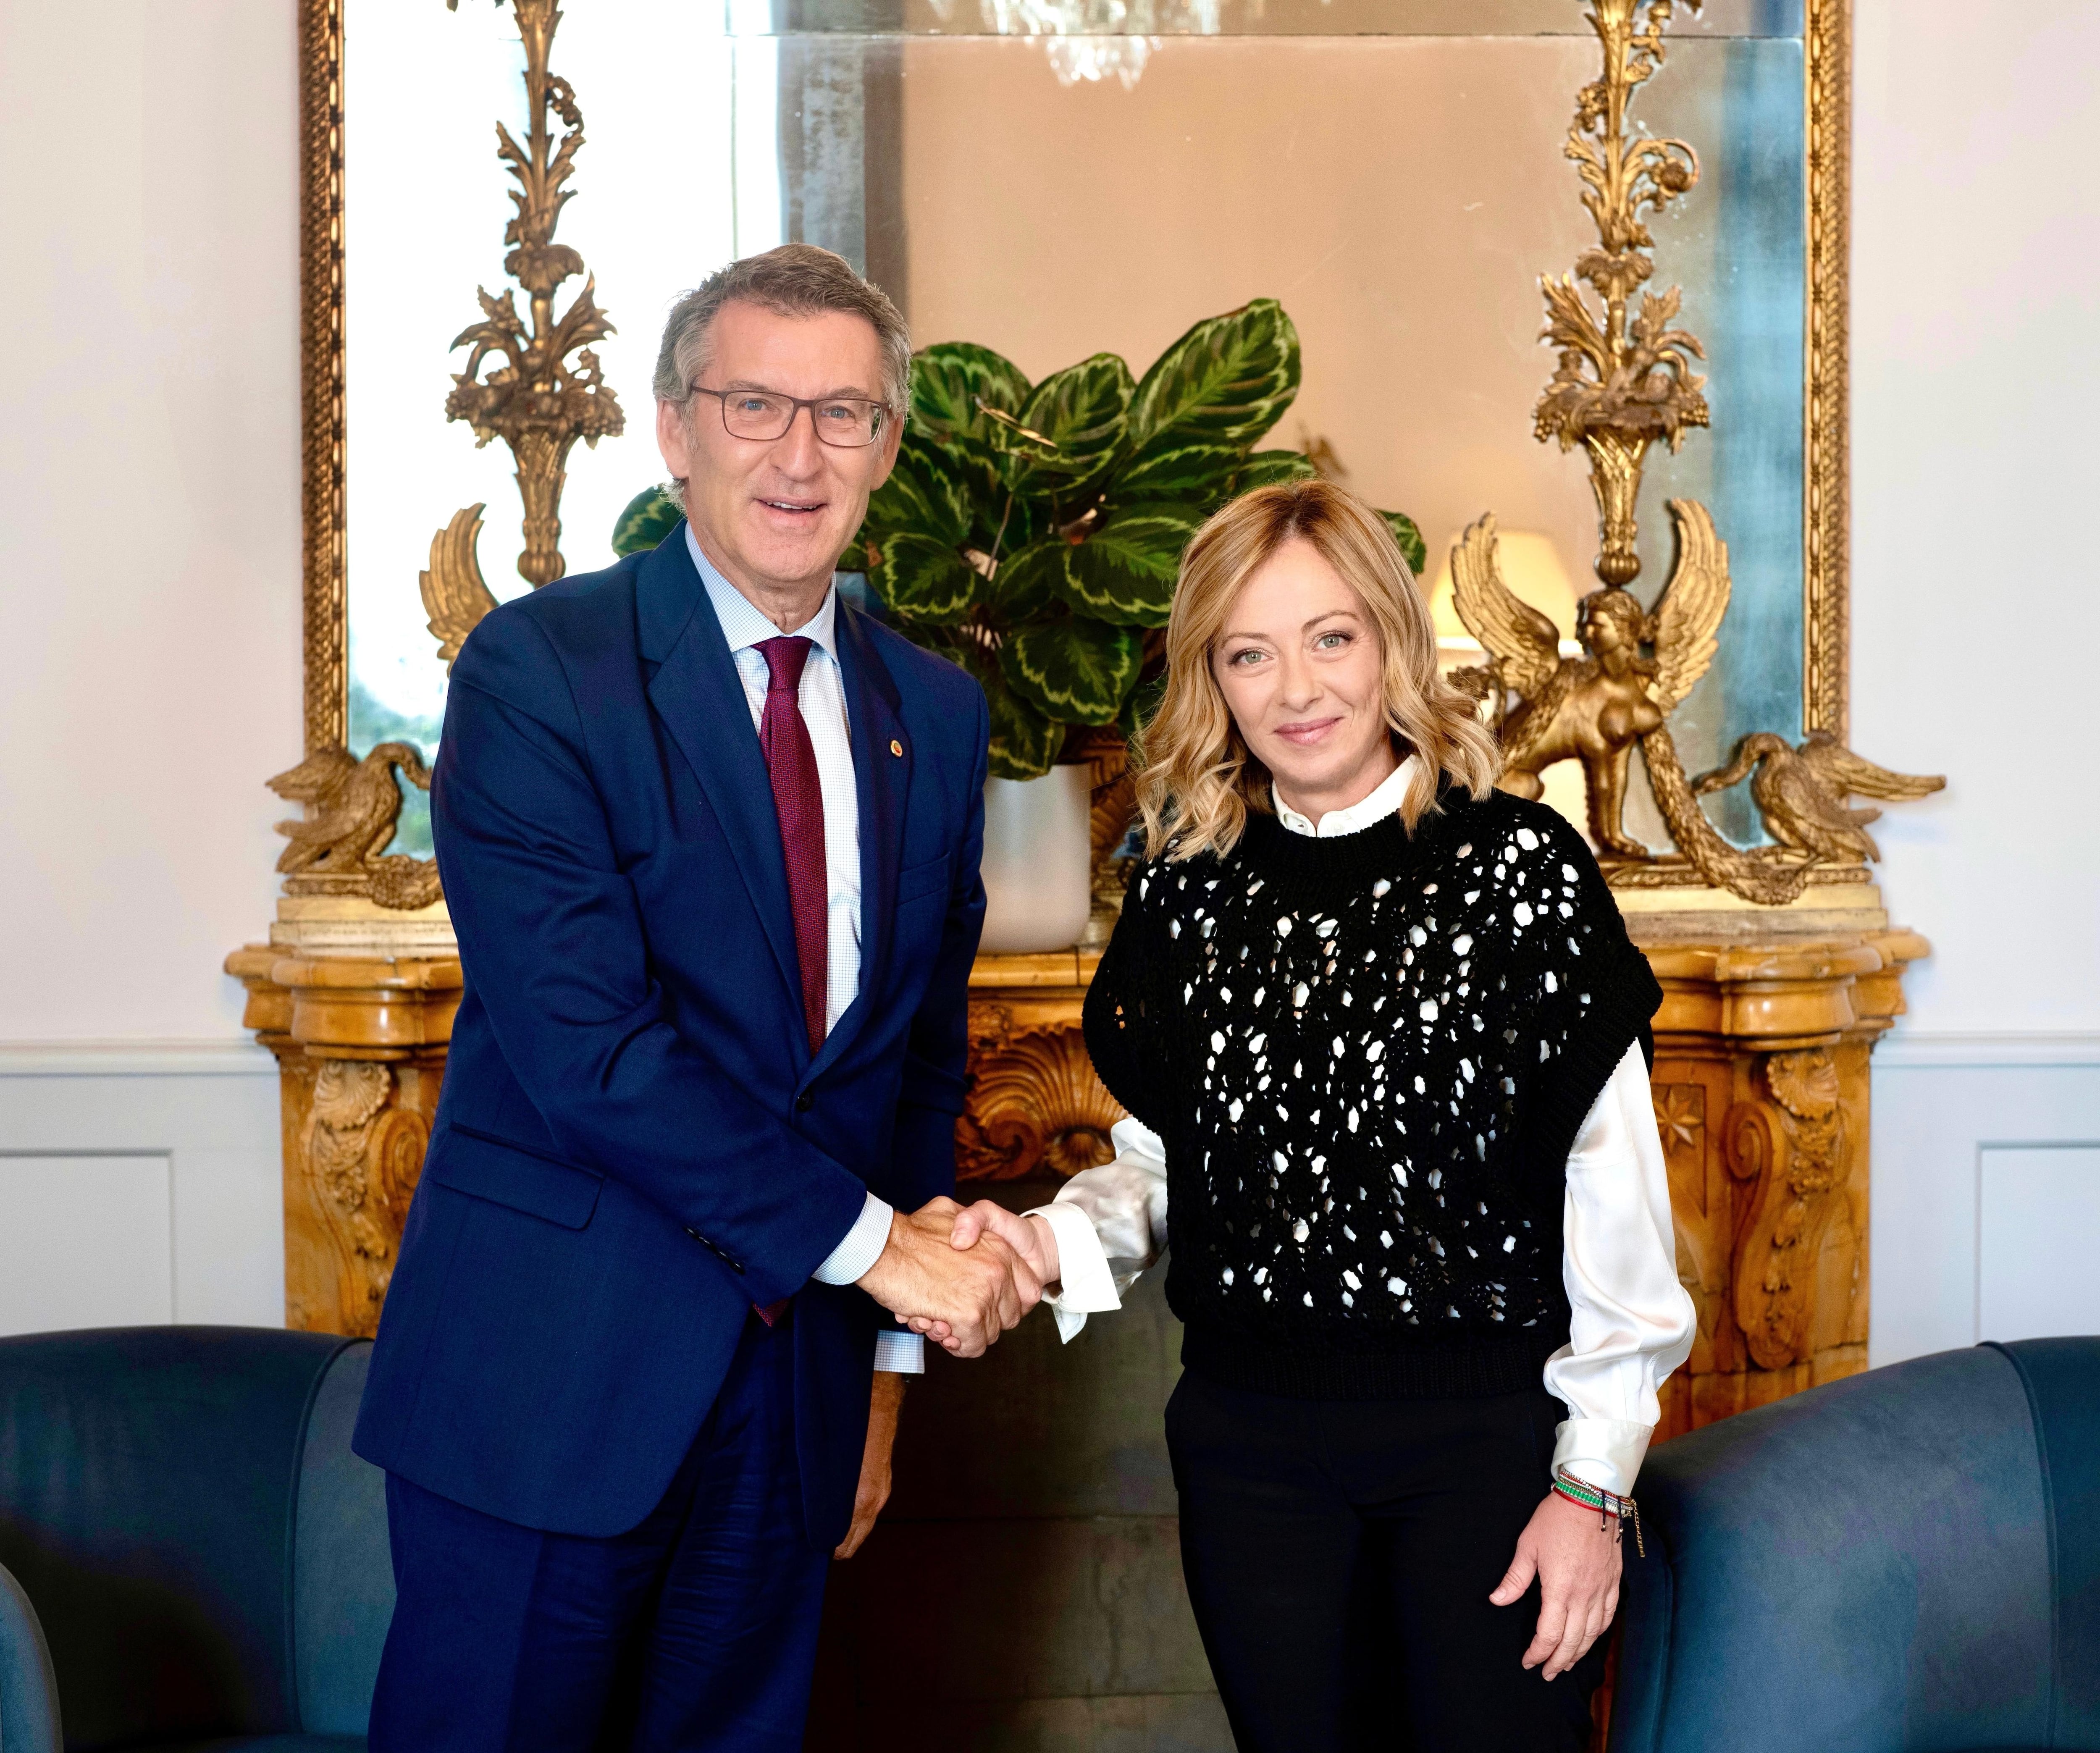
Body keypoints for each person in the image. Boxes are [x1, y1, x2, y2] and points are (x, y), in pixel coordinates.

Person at [353, 244, 1039, 1753]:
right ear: (674, 430)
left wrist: (886, 1379)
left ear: (888, 449)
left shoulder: (935, 709)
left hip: (794, 1408)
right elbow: (591, 1053)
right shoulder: (542, 670)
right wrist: (886, 1260)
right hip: (553, 1389)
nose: (799, 455)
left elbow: (916, 1070)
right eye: (755, 406)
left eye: (844, 414)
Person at [937, 479, 1696, 1751]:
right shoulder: (1187, 889)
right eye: (1250, 652)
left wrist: (1592, 1485)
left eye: (1330, 637)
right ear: (1213, 679)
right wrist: (1042, 1243)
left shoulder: (1518, 875)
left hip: (1488, 1457)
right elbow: (1175, 1166)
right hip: (1251, 1457)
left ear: (1393, 644)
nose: (1296, 687)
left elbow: (1613, 1197)